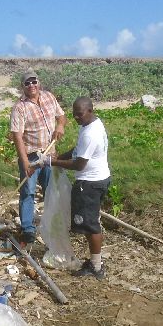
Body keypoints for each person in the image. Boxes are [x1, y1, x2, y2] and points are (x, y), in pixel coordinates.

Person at [32, 96, 110, 279]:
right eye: (74, 114)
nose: (76, 117)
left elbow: (79, 164)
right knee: (91, 222)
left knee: (91, 226)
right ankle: (94, 262)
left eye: (79, 114)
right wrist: (60, 157)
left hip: (90, 184)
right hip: (98, 179)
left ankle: (97, 267)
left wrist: (52, 161)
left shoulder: (91, 133)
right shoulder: (91, 124)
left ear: (90, 110)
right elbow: (78, 150)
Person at [9, 69, 66, 244]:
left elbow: (61, 117)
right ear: (23, 87)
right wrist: (25, 162)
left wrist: (60, 127)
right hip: (32, 156)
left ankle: (54, 223)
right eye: (27, 83)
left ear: (39, 83)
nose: (31, 85)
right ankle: (27, 229)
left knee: (51, 190)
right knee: (28, 192)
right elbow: (17, 136)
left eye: (34, 81)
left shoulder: (49, 96)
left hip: (49, 154)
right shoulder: (19, 107)